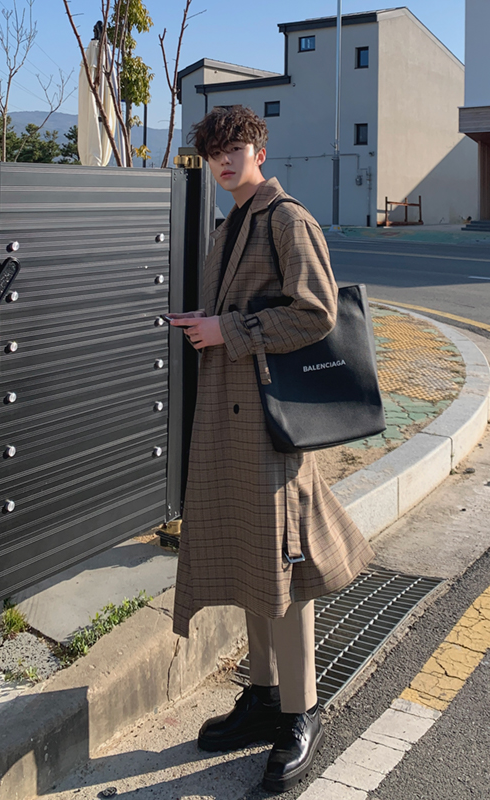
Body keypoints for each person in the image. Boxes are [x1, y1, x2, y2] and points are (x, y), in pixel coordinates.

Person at [167, 105, 374, 794]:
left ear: (260, 149)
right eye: (215, 153)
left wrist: (227, 330)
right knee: (253, 557)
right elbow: (244, 309)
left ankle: (299, 709)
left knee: (286, 563)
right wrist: (206, 324)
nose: (225, 162)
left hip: (269, 423)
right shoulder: (231, 222)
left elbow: (316, 312)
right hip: (231, 416)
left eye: (237, 148)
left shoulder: (287, 219)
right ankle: (263, 695)